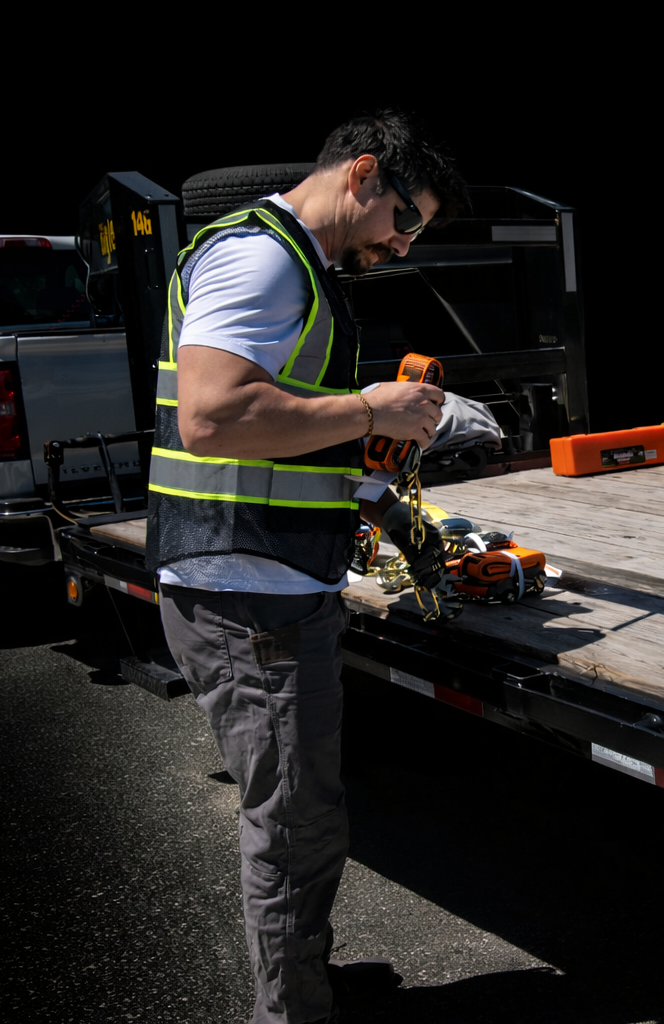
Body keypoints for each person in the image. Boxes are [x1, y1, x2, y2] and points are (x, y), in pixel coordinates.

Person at [147, 111, 468, 1024]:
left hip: (267, 581)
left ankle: (307, 979)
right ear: (362, 174)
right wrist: (373, 408)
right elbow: (214, 417)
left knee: (306, 815)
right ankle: (292, 1011)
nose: (403, 244)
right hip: (248, 597)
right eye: (404, 220)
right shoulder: (263, 259)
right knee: (292, 826)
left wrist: (366, 495)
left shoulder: (295, 262)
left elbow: (276, 422)